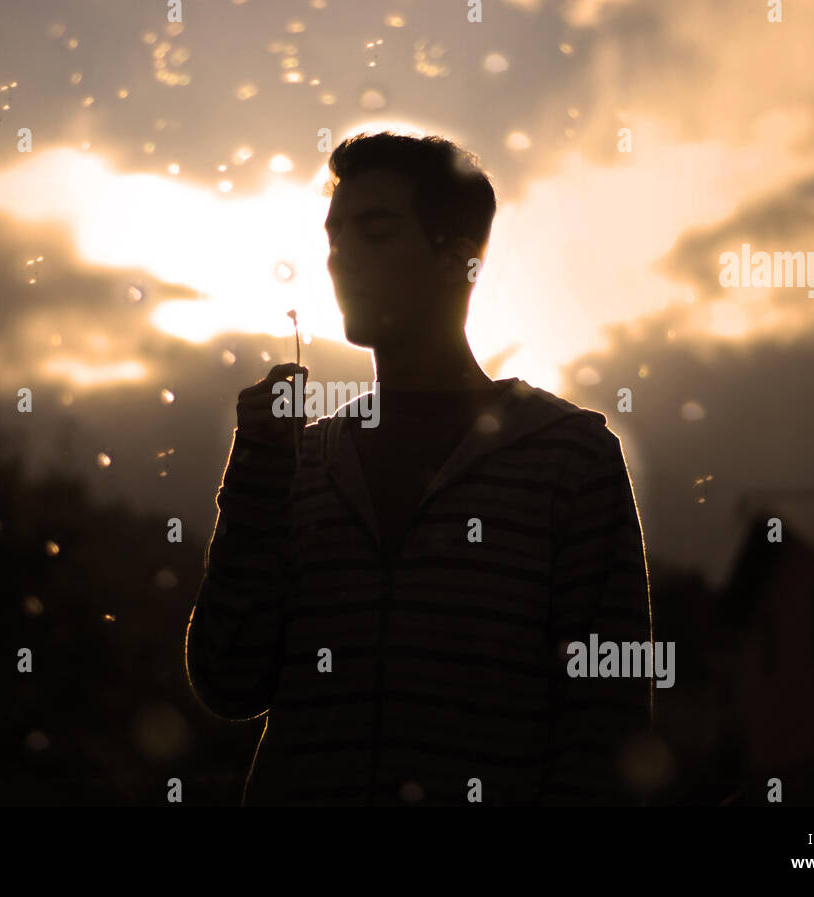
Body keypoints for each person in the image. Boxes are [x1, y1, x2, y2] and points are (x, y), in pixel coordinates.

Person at [185, 132, 654, 805]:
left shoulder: (569, 458)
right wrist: (256, 474)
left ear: (457, 259)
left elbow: (606, 727)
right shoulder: (302, 461)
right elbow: (228, 681)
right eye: (334, 234)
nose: (340, 255)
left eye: (375, 231)